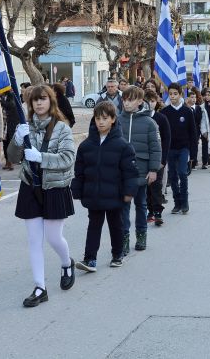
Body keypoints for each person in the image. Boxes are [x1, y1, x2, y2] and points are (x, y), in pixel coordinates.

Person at [8, 84, 76, 307]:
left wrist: (41, 157)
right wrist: (17, 141)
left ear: (51, 101)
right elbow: (12, 157)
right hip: (30, 187)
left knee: (54, 238)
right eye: (34, 100)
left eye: (43, 98)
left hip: (55, 188)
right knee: (34, 240)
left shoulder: (62, 129)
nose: (38, 103)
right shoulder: (25, 127)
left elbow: (67, 159)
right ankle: (40, 287)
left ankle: (67, 263)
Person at [72, 102, 140, 272]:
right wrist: (77, 189)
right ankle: (90, 259)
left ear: (113, 120)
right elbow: (79, 170)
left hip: (115, 195)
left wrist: (129, 192)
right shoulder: (86, 146)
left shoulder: (123, 146)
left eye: (105, 118)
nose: (101, 122)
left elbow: (130, 172)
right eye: (97, 118)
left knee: (115, 225)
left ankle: (117, 254)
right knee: (93, 226)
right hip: (93, 195)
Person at [120, 86, 162, 238]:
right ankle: (124, 238)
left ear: (139, 101)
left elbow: (155, 148)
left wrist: (153, 169)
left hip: (141, 170)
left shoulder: (149, 123)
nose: (127, 103)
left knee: (141, 205)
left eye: (130, 100)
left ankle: (141, 235)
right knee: (123, 207)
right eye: (124, 99)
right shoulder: (117, 121)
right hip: (122, 173)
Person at [162, 82, 197, 214]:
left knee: (182, 173)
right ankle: (177, 203)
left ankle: (185, 202)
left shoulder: (187, 111)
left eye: (175, 94)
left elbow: (193, 133)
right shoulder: (164, 112)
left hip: (184, 148)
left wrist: (193, 153)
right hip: (170, 149)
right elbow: (163, 134)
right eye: (170, 94)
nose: (172, 96)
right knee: (173, 176)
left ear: (180, 95)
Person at [144, 90, 170, 213]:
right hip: (144, 158)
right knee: (146, 187)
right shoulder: (141, 118)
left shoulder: (161, 118)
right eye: (147, 101)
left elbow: (166, 140)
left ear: (157, 103)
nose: (150, 104)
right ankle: (150, 211)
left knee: (156, 185)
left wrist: (163, 160)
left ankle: (158, 211)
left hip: (158, 158)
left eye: (153, 101)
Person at [0, 91, 21, 170]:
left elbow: (11, 105)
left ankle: (11, 163)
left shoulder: (11, 95)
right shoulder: (1, 97)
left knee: (10, 143)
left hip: (11, 123)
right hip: (4, 123)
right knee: (5, 144)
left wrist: (1, 101)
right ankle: (7, 162)